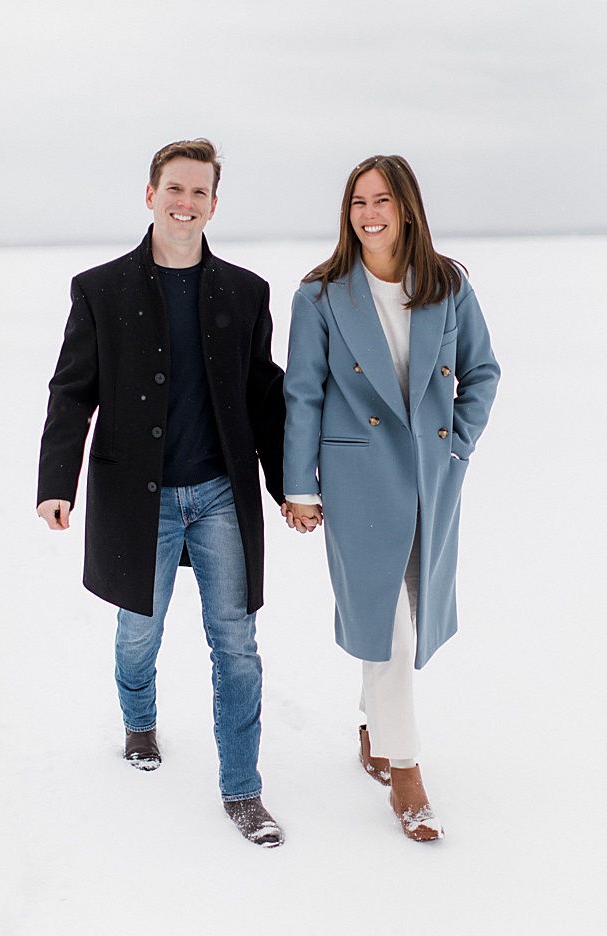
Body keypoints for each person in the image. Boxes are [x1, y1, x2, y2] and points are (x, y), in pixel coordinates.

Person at [36, 140, 287, 846]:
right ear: (150, 195)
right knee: (137, 630)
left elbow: (266, 401)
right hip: (136, 499)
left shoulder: (245, 293)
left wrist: (292, 487)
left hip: (217, 496)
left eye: (199, 192)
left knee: (235, 643)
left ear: (213, 203)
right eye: (174, 189)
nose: (186, 203)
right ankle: (138, 721)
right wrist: (58, 482)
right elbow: (71, 392)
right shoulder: (100, 288)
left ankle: (244, 791)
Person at [281, 155, 500, 841]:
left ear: (406, 207)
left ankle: (376, 731)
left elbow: (483, 372)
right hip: (357, 481)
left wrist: (456, 449)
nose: (369, 213)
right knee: (392, 629)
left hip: (431, 480)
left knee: (403, 622)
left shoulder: (447, 286)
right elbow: (303, 394)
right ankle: (405, 774)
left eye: (381, 200)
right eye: (357, 202)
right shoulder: (319, 296)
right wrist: (299, 486)